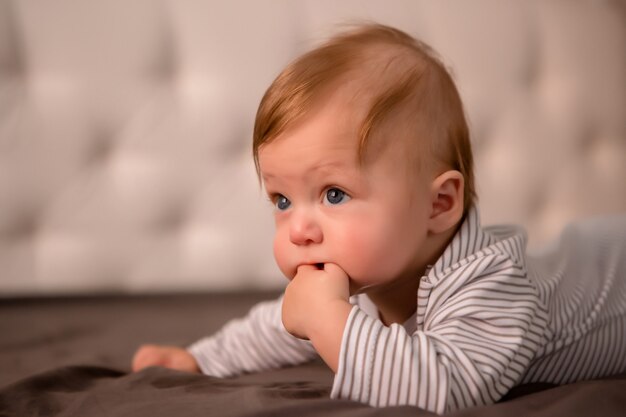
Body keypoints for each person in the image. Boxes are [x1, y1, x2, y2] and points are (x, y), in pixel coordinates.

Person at [132, 23, 626, 414]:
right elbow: (277, 326)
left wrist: (328, 318)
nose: (300, 229)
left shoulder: (492, 284)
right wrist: (201, 358)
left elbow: (444, 390)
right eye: (282, 201)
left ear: (439, 204)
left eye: (333, 193)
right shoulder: (371, 278)